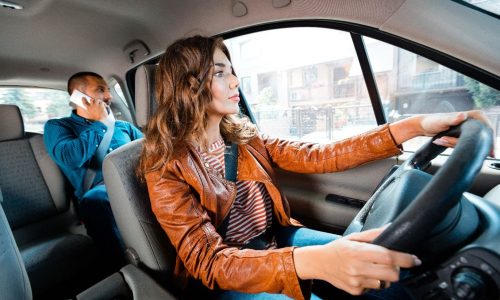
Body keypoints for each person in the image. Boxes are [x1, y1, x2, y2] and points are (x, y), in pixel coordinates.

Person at [138, 36, 492, 300]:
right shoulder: (165, 167)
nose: (235, 82)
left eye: (233, 72)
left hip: (276, 242)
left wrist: (414, 126)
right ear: (188, 87)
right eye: (220, 74)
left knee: (388, 276)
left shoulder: (245, 138)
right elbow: (211, 264)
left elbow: (322, 155)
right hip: (232, 277)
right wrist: (316, 262)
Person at [44, 72, 143, 266]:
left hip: (138, 180)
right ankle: (123, 268)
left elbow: (151, 152)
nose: (109, 96)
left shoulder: (124, 126)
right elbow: (71, 158)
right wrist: (100, 124)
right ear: (78, 96)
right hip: (102, 190)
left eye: (108, 89)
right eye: (100, 89)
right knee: (94, 201)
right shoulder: (58, 127)